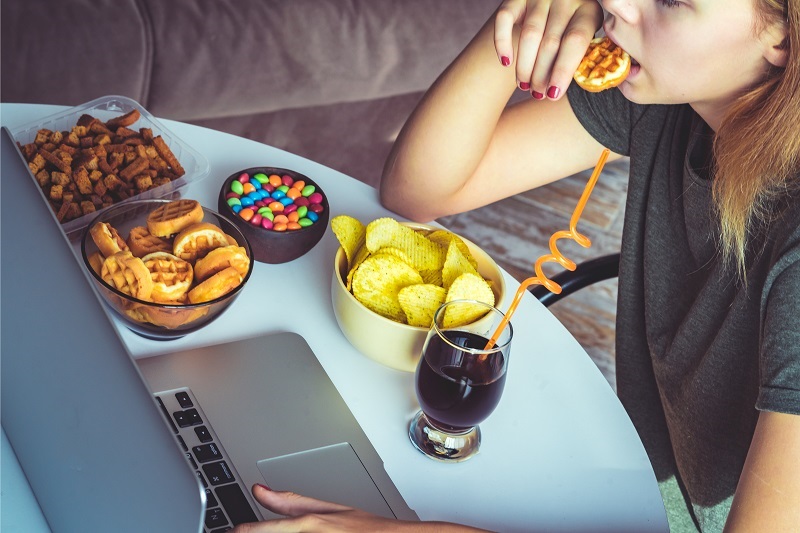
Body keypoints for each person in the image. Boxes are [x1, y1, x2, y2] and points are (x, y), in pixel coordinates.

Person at [233, 0, 800, 531]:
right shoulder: (672, 98)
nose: (619, 4)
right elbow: (420, 188)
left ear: (782, 36)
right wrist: (528, 18)